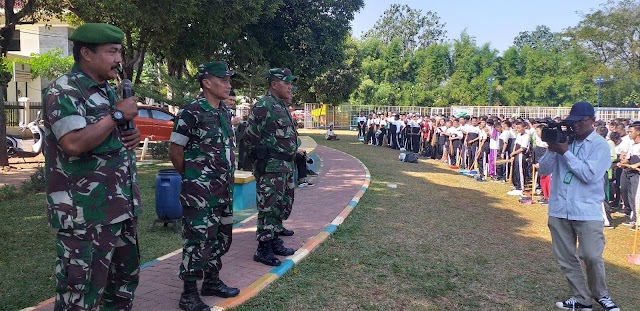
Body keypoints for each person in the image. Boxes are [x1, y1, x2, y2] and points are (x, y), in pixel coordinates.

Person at [42, 23, 142, 311]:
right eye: (112, 52)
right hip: (84, 218)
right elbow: (73, 143)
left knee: (121, 289)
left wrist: (129, 133)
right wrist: (117, 114)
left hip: (120, 211)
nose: (118, 60)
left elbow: (108, 132)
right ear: (86, 53)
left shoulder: (108, 92)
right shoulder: (64, 90)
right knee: (80, 297)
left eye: (119, 52)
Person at [169, 61, 240, 311]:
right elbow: (175, 149)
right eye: (223, 79)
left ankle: (211, 281)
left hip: (224, 189)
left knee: (221, 238)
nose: (228, 84)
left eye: (229, 79)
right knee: (198, 240)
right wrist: (193, 179)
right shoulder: (191, 111)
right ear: (206, 82)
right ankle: (188, 294)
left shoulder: (223, 111)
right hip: (200, 193)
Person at [538, 101, 621, 311]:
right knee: (566, 258)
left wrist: (565, 152)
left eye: (579, 122)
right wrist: (552, 148)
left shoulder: (599, 145)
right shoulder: (565, 141)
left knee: (591, 255)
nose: (574, 126)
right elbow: (543, 171)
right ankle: (581, 298)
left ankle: (601, 295)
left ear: (592, 120)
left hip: (586, 209)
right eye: (571, 122)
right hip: (559, 207)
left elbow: (589, 175)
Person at [244, 68, 300, 266]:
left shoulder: (281, 105)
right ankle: (263, 248)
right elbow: (249, 138)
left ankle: (274, 238)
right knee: (269, 206)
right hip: (271, 166)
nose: (290, 86)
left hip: (284, 165)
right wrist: (260, 162)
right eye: (286, 82)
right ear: (274, 84)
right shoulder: (263, 105)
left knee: (280, 205)